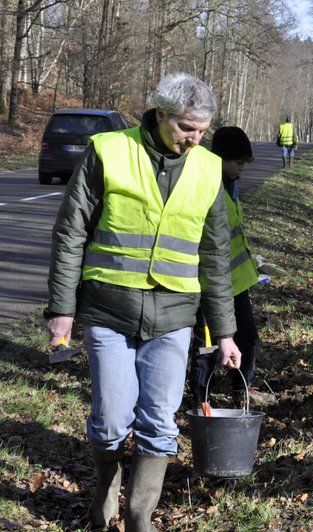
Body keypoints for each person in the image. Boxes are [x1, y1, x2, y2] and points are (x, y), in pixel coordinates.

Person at [45, 72, 241, 532]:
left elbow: (215, 256)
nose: (194, 140)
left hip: (174, 317)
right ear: (160, 115)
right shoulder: (109, 151)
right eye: (186, 128)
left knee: (159, 422)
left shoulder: (209, 168)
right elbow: (70, 232)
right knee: (111, 421)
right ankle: (105, 493)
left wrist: (226, 332)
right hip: (107, 310)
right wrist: (61, 310)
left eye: (202, 131)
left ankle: (140, 515)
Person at [190, 126, 273, 406]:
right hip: (208, 285)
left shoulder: (231, 186)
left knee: (247, 336)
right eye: (238, 162)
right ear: (220, 159)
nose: (242, 169)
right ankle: (201, 401)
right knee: (207, 347)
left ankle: (242, 391)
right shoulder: (206, 187)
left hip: (235, 284)